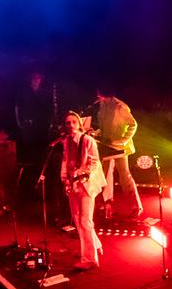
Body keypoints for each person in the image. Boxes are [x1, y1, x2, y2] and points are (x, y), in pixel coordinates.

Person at [54, 111, 104, 271]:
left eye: (73, 122)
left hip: (86, 184)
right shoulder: (66, 141)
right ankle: (95, 246)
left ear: (79, 124)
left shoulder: (88, 140)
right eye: (67, 123)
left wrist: (84, 176)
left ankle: (90, 259)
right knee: (77, 219)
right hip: (73, 184)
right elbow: (66, 160)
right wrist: (65, 179)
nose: (70, 126)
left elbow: (94, 162)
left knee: (85, 221)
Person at [92, 92, 142, 217]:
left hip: (120, 147)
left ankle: (136, 207)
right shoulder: (103, 104)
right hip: (107, 146)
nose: (97, 96)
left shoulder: (120, 106)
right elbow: (104, 127)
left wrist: (123, 140)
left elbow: (133, 124)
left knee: (124, 175)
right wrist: (96, 133)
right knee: (105, 175)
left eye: (99, 93)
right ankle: (107, 205)